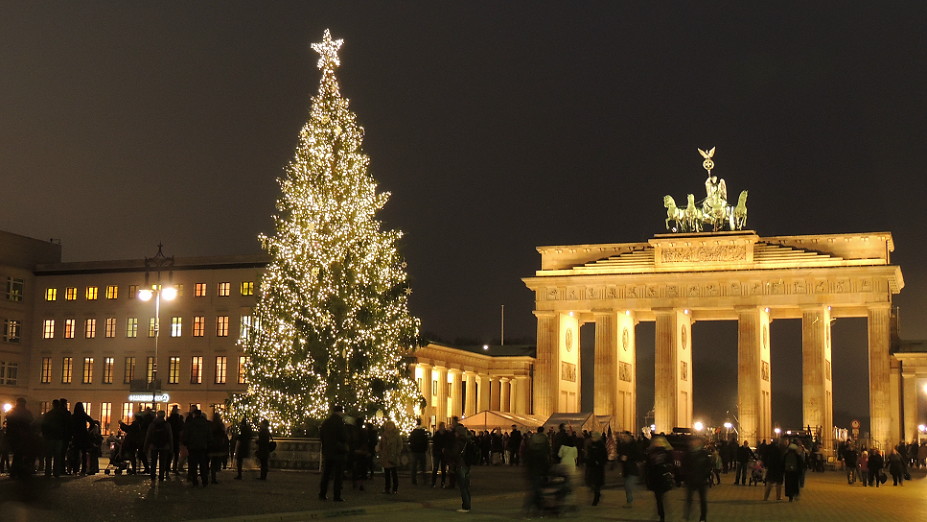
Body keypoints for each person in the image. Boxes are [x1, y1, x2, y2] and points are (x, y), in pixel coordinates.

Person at [318, 405, 347, 501]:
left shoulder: (326, 422)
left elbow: (321, 435)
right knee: (338, 475)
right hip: (338, 452)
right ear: (340, 412)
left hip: (328, 451)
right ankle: (337, 495)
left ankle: (322, 493)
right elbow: (343, 436)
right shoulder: (339, 422)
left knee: (326, 473)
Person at [644, 435, 674, 522]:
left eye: (659, 441)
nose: (657, 443)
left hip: (663, 478)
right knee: (659, 499)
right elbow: (647, 467)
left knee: (660, 498)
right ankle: (661, 514)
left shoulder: (667, 453)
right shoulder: (650, 453)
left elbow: (672, 464)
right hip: (655, 478)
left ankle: (662, 515)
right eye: (656, 441)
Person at [682, 436, 711, 522]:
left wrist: (705, 476)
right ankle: (687, 516)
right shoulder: (688, 454)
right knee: (688, 500)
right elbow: (684, 466)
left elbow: (708, 466)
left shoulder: (704, 454)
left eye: (696, 441)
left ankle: (703, 517)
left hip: (701, 481)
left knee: (702, 500)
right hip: (690, 480)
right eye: (693, 441)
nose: (694, 443)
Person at [6, 397, 35, 479]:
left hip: (14, 436)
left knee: (17, 454)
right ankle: (19, 471)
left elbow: (9, 424)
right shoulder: (25, 412)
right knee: (20, 454)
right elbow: (30, 421)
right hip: (23, 436)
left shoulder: (12, 412)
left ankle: (15, 471)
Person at [524, 426, 551, 515]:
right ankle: (536, 509)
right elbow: (547, 454)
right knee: (538, 491)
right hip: (540, 469)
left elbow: (527, 456)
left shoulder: (532, 441)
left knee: (535, 490)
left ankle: (531, 508)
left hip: (532, 470)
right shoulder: (544, 441)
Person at [184, 408, 211, 487]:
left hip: (192, 447)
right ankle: (204, 481)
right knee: (203, 465)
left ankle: (195, 481)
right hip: (203, 447)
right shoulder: (206, 423)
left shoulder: (191, 423)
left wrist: (186, 443)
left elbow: (186, 435)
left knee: (193, 465)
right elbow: (209, 436)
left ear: (194, 414)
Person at [144, 409, 173, 482]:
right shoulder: (167, 424)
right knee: (162, 462)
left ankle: (153, 476)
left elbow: (148, 436)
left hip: (154, 445)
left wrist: (146, 447)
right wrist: (171, 447)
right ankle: (161, 477)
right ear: (164, 416)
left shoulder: (152, 424)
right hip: (165, 446)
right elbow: (170, 436)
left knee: (153, 461)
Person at [451, 417, 472, 513]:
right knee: (466, 486)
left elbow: (454, 454)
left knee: (463, 486)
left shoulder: (458, 442)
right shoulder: (467, 441)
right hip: (467, 464)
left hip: (460, 464)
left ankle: (465, 506)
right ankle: (468, 504)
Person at [377, 420, 402, 494]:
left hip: (393, 456)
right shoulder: (384, 435)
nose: (389, 427)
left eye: (390, 426)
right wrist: (381, 452)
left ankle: (395, 488)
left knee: (394, 473)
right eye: (388, 426)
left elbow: (400, 445)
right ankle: (387, 488)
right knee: (387, 474)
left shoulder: (396, 435)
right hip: (386, 456)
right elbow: (381, 445)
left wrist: (397, 453)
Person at [617, 431, 641, 507]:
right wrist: (620, 458)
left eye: (625, 437)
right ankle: (629, 500)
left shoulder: (634, 445)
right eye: (623, 437)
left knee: (628, 485)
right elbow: (620, 455)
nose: (624, 438)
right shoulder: (622, 445)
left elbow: (638, 456)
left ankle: (630, 501)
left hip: (632, 469)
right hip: (626, 469)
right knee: (626, 485)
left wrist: (628, 457)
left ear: (629, 436)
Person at [585, 431, 607, 506]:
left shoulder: (601, 446)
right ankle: (597, 495)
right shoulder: (591, 445)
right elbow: (589, 455)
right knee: (592, 483)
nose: (593, 438)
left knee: (596, 484)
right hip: (592, 467)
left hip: (598, 468)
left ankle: (596, 498)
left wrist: (599, 462)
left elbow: (604, 457)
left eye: (594, 437)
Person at [208, 412, 229, 484]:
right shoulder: (220, 425)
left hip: (212, 446)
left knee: (212, 462)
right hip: (218, 446)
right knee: (216, 462)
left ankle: (211, 475)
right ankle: (214, 477)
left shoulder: (211, 425)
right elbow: (223, 435)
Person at [408, 418, 428, 485]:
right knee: (423, 467)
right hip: (421, 451)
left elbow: (410, 441)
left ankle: (414, 480)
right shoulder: (423, 432)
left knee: (414, 467)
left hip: (415, 451)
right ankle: (424, 479)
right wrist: (425, 449)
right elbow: (426, 441)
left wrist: (411, 448)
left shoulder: (413, 432)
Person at [168, 405, 184, 474]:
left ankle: (167, 467)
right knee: (176, 454)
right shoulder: (178, 419)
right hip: (176, 438)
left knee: (170, 454)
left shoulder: (169, 419)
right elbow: (181, 429)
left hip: (170, 438)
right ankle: (174, 468)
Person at [431, 422, 448, 488]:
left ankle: (443, 482)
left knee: (443, 469)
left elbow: (447, 442)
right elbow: (435, 444)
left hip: (443, 453)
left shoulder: (446, 434)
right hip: (438, 452)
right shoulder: (437, 434)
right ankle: (433, 482)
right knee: (436, 468)